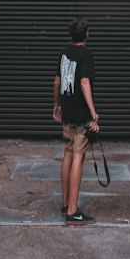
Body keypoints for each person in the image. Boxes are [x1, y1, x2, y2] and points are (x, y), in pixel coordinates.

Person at [52, 15, 99, 222]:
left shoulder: (64, 52)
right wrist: (93, 113)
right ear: (86, 34)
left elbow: (57, 81)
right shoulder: (86, 54)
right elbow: (84, 83)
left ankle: (65, 205)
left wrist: (57, 104)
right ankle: (72, 210)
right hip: (80, 113)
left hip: (67, 111)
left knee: (68, 154)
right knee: (78, 157)